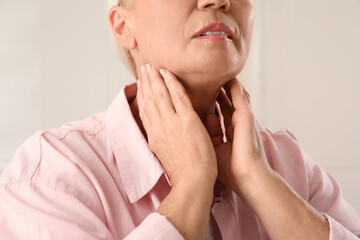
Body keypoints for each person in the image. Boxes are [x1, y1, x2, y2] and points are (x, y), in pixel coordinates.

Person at [0, 0, 359, 239]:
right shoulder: (49, 177)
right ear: (123, 25)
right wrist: (191, 186)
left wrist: (258, 181)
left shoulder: (289, 164)